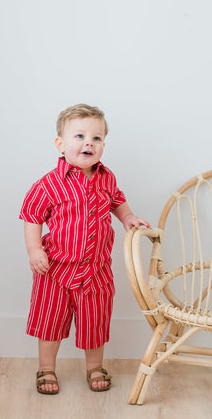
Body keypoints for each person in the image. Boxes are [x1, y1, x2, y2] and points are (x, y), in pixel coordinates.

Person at [20, 104, 150, 394]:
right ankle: (46, 368)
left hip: (96, 269)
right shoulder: (49, 184)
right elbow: (32, 217)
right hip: (56, 269)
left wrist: (128, 217)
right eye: (79, 136)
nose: (88, 143)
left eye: (96, 138)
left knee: (95, 322)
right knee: (50, 322)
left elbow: (117, 201)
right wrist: (34, 250)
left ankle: (94, 366)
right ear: (61, 143)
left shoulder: (107, 178)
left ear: (103, 144)